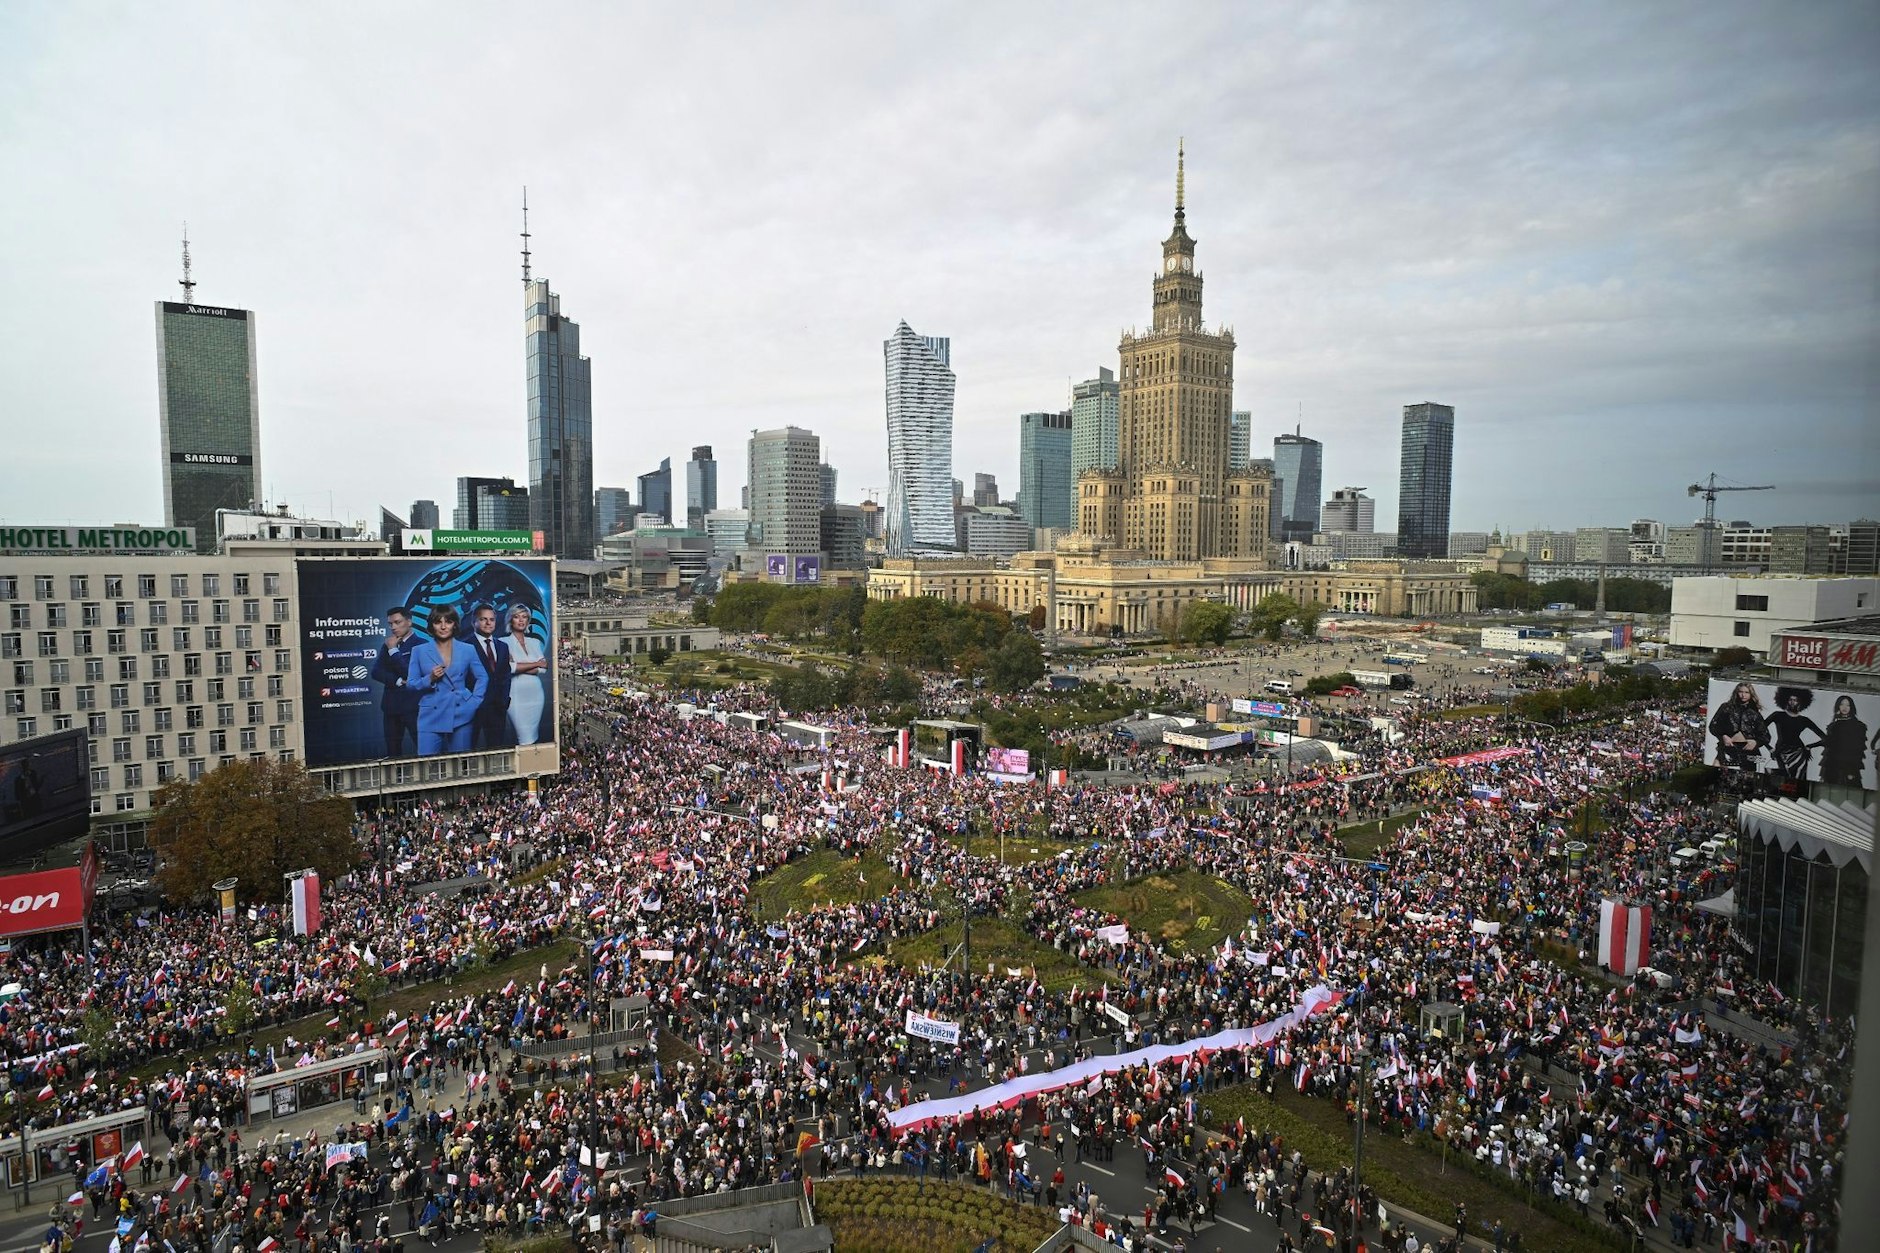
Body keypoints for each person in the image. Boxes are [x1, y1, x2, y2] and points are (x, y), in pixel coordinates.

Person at [406, 606, 488, 756]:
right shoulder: (419, 651)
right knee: (427, 764)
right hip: (430, 714)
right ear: (432, 625)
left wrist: (474, 702)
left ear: (455, 624)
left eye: (448, 622)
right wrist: (430, 678)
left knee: (460, 763)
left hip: (461, 712)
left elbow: (482, 677)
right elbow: (411, 684)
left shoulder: (468, 649)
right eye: (438, 622)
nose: (443, 627)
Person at [371, 606, 424, 757]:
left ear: (409, 622)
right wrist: (398, 681)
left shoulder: (422, 644)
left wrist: (393, 651)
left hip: (415, 708)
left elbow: (411, 674)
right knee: (393, 754)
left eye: (397, 622)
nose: (393, 627)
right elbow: (376, 672)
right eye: (390, 624)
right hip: (391, 708)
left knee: (424, 751)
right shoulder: (388, 644)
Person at [466, 605, 512, 751]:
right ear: (474, 622)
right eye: (483, 619)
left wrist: (504, 701)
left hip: (497, 708)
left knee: (496, 750)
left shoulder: (503, 646)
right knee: (468, 748)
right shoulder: (465, 646)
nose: (488, 623)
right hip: (473, 708)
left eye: (492, 620)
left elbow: (506, 676)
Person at [505, 604, 549, 746]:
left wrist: (520, 665)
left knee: (533, 736)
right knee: (524, 737)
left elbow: (544, 668)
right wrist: (536, 664)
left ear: (528, 621)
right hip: (516, 695)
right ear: (510, 620)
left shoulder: (535, 642)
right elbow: (510, 668)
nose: (521, 620)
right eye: (516, 616)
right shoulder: (503, 642)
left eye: (524, 617)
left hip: (536, 694)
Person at [1764, 686, 1824, 783]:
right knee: (1783, 779)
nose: (1792, 702)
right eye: (1790, 699)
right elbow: (1759, 731)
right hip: (1780, 751)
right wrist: (1769, 748)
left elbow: (1825, 738)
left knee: (1797, 781)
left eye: (1795, 700)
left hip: (1799, 753)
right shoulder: (1777, 715)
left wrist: (1809, 746)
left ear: (1800, 702)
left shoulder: (1804, 720)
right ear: (1786, 700)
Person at [1707, 681, 1767, 771]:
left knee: (1746, 776)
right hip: (1728, 748)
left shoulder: (1754, 713)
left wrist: (1756, 742)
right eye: (1741, 692)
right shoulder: (1726, 707)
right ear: (1736, 693)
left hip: (1747, 752)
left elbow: (1765, 735)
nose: (1743, 695)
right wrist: (1723, 736)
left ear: (1751, 694)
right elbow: (1713, 725)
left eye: (1746, 692)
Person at [1816, 694, 1867, 787]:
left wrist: (1852, 770)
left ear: (1851, 707)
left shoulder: (1858, 726)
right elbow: (1828, 749)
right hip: (1832, 767)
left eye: (1848, 705)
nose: (1844, 707)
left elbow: (1858, 749)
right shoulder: (1833, 725)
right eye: (1842, 704)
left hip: (1848, 767)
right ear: (1838, 706)